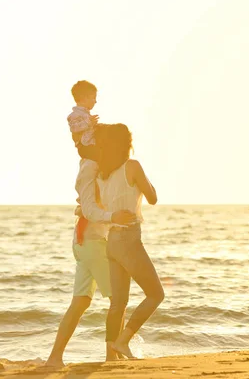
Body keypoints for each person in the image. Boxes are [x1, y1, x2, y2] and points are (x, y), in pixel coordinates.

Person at [45, 85, 136, 367]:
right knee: (118, 299)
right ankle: (112, 356)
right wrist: (112, 217)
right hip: (93, 241)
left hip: (86, 240)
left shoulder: (101, 169)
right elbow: (89, 208)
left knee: (81, 302)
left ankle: (55, 358)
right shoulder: (90, 167)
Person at [95, 123, 163, 359]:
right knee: (156, 294)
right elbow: (153, 197)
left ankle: (110, 357)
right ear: (127, 143)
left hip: (112, 241)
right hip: (128, 239)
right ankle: (123, 342)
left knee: (118, 303)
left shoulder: (102, 174)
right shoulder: (132, 166)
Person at [67, 80, 100, 161]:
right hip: (86, 147)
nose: (95, 101)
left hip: (91, 145)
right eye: (93, 98)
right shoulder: (74, 115)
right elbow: (74, 128)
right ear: (85, 98)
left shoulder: (86, 115)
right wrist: (89, 122)